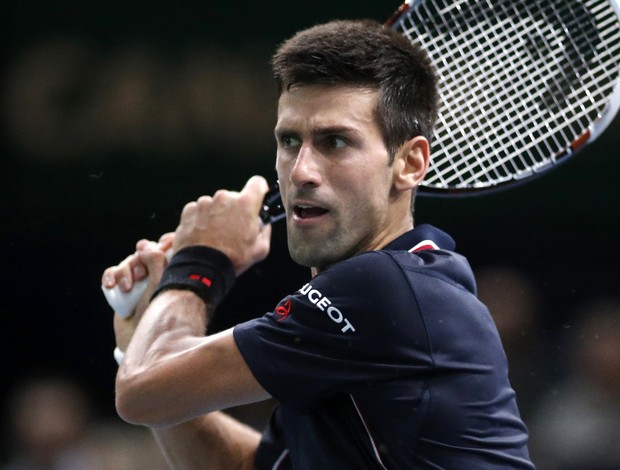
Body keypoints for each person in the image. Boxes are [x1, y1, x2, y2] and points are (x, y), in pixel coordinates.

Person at [102, 20, 534, 469]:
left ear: (409, 163)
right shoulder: (349, 327)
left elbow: (140, 395)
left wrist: (199, 263)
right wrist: (141, 343)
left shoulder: (384, 288)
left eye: (335, 142)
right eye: (290, 141)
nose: (300, 171)